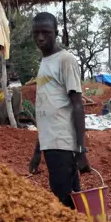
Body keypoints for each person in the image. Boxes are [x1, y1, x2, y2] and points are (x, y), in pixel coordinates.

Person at [27, 13, 91, 207]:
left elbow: (78, 105)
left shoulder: (66, 60)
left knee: (65, 202)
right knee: (68, 200)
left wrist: (81, 149)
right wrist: (38, 151)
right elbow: (47, 110)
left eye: (45, 33)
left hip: (63, 143)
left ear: (56, 33)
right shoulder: (45, 62)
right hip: (51, 144)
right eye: (36, 33)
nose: (40, 38)